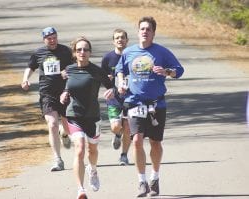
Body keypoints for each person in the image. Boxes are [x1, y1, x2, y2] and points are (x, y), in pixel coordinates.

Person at [115, 16, 184, 197]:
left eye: (148, 29)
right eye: (142, 29)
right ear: (138, 32)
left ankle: (155, 177)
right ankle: (142, 181)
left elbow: (179, 70)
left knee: (155, 143)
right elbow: (119, 70)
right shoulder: (128, 52)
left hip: (156, 104)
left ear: (153, 33)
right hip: (134, 102)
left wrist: (167, 71)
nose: (145, 32)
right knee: (137, 140)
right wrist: (121, 82)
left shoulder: (161, 52)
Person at [60, 36, 114, 199]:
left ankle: (93, 170)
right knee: (80, 149)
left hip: (92, 116)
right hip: (74, 115)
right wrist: (64, 93)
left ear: (90, 52)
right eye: (79, 50)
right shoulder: (68, 70)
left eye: (85, 49)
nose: (82, 52)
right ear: (74, 53)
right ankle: (80, 189)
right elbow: (66, 87)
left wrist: (112, 91)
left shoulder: (97, 71)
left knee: (93, 150)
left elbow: (112, 87)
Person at [21, 27, 73, 172]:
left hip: (65, 92)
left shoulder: (66, 51)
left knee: (68, 126)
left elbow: (76, 66)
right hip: (47, 93)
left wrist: (67, 71)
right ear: (44, 40)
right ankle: (58, 159)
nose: (52, 40)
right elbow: (30, 67)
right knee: (52, 125)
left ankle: (65, 133)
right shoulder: (39, 53)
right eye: (49, 38)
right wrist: (25, 80)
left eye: (54, 37)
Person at [101, 28, 131, 165]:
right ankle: (117, 134)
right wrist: (108, 82)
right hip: (114, 98)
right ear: (113, 41)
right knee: (115, 126)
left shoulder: (133, 56)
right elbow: (102, 78)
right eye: (117, 38)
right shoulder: (108, 58)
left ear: (127, 40)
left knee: (128, 126)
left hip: (131, 98)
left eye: (122, 37)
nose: (120, 40)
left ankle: (124, 155)